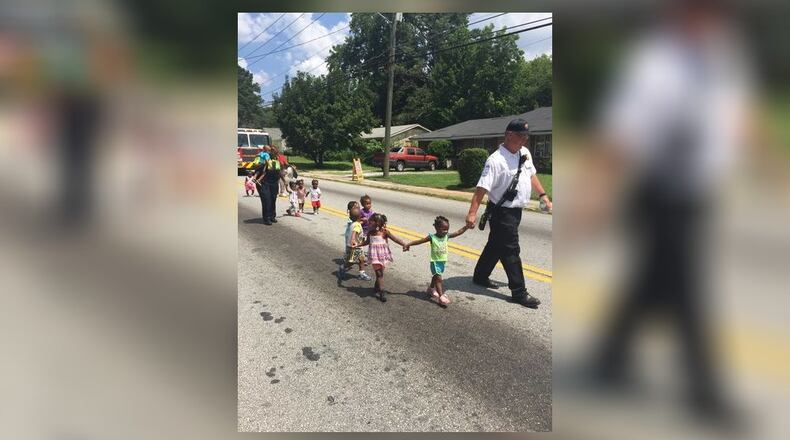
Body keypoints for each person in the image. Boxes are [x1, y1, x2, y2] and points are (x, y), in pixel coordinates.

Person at [465, 118, 552, 308]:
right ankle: (519, 292)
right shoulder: (495, 160)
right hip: (502, 213)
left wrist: (543, 195)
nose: (525, 140)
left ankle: (480, 276)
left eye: (527, 136)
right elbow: (482, 189)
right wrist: (472, 213)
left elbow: (531, 174)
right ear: (509, 135)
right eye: (521, 136)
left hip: (516, 212)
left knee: (496, 245)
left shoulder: (524, 153)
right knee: (511, 250)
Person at [404, 216, 471, 306]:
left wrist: (466, 227)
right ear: (436, 228)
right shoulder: (432, 237)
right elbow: (420, 241)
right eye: (443, 229)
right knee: (438, 278)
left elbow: (458, 232)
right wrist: (409, 244)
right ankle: (441, 296)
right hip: (435, 261)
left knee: (435, 277)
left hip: (442, 261)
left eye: (447, 229)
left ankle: (431, 289)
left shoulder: (446, 236)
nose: (446, 231)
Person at [354, 214, 407, 302]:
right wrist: (358, 245)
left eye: (371, 222)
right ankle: (382, 292)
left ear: (377, 223)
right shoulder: (370, 233)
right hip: (374, 256)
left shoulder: (385, 232)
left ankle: (376, 287)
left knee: (380, 273)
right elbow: (367, 242)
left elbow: (395, 239)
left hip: (382, 256)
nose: (369, 223)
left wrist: (404, 244)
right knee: (379, 274)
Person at [252, 147, 286, 225]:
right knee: (266, 200)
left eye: (274, 150)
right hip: (263, 183)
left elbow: (279, 172)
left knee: (273, 199)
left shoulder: (276, 160)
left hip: (274, 182)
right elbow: (257, 169)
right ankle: (266, 218)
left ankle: (272, 216)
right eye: (271, 150)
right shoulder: (263, 159)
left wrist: (284, 181)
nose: (273, 152)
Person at [338, 206, 372, 281]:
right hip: (355, 247)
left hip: (355, 246)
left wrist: (364, 220)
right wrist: (353, 240)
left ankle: (361, 273)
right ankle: (343, 267)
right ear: (360, 216)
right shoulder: (357, 225)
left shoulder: (353, 223)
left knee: (361, 259)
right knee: (352, 262)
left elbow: (358, 223)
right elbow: (355, 232)